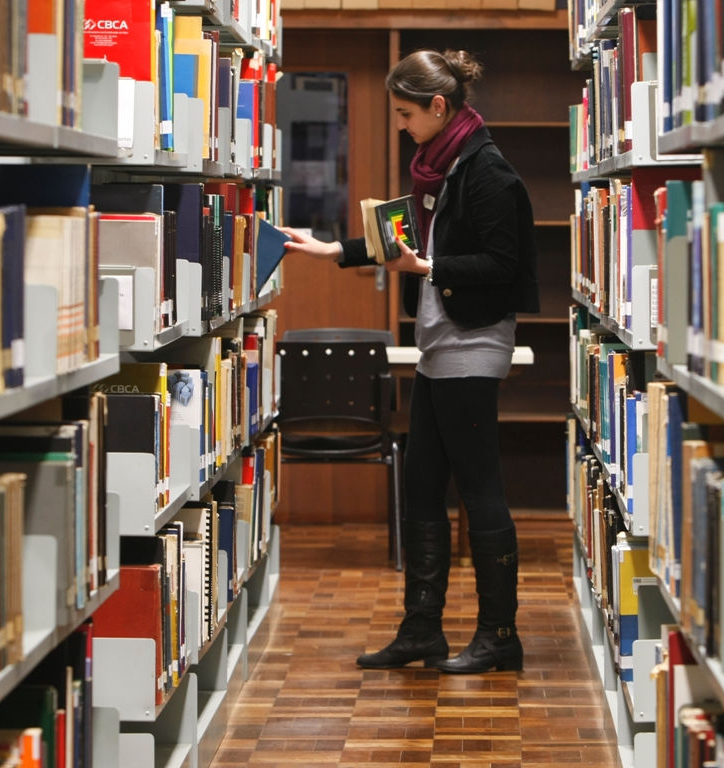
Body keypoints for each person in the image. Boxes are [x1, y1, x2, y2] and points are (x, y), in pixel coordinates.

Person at [280, 48, 539, 674]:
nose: (400, 125)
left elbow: (507, 268)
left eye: (404, 113)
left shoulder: (488, 173)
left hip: (472, 347)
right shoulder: (439, 167)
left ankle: (499, 635)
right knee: (421, 488)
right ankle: (422, 629)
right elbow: (405, 241)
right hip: (437, 348)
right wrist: (332, 249)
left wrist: (427, 267)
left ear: (438, 107)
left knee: (480, 492)